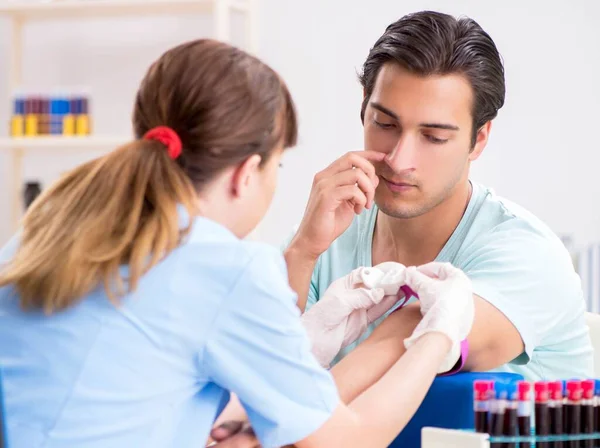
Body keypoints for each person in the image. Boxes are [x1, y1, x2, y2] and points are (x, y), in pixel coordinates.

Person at [0, 39, 474, 448]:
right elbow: (343, 440)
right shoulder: (223, 265)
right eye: (277, 168)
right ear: (248, 173)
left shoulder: (43, 234)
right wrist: (439, 333)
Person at [283, 9, 594, 395]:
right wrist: (302, 251)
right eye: (385, 124)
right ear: (364, 107)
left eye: (433, 137)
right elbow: (260, 366)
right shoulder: (328, 237)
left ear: (478, 139)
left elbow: (420, 338)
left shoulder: (526, 253)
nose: (399, 160)